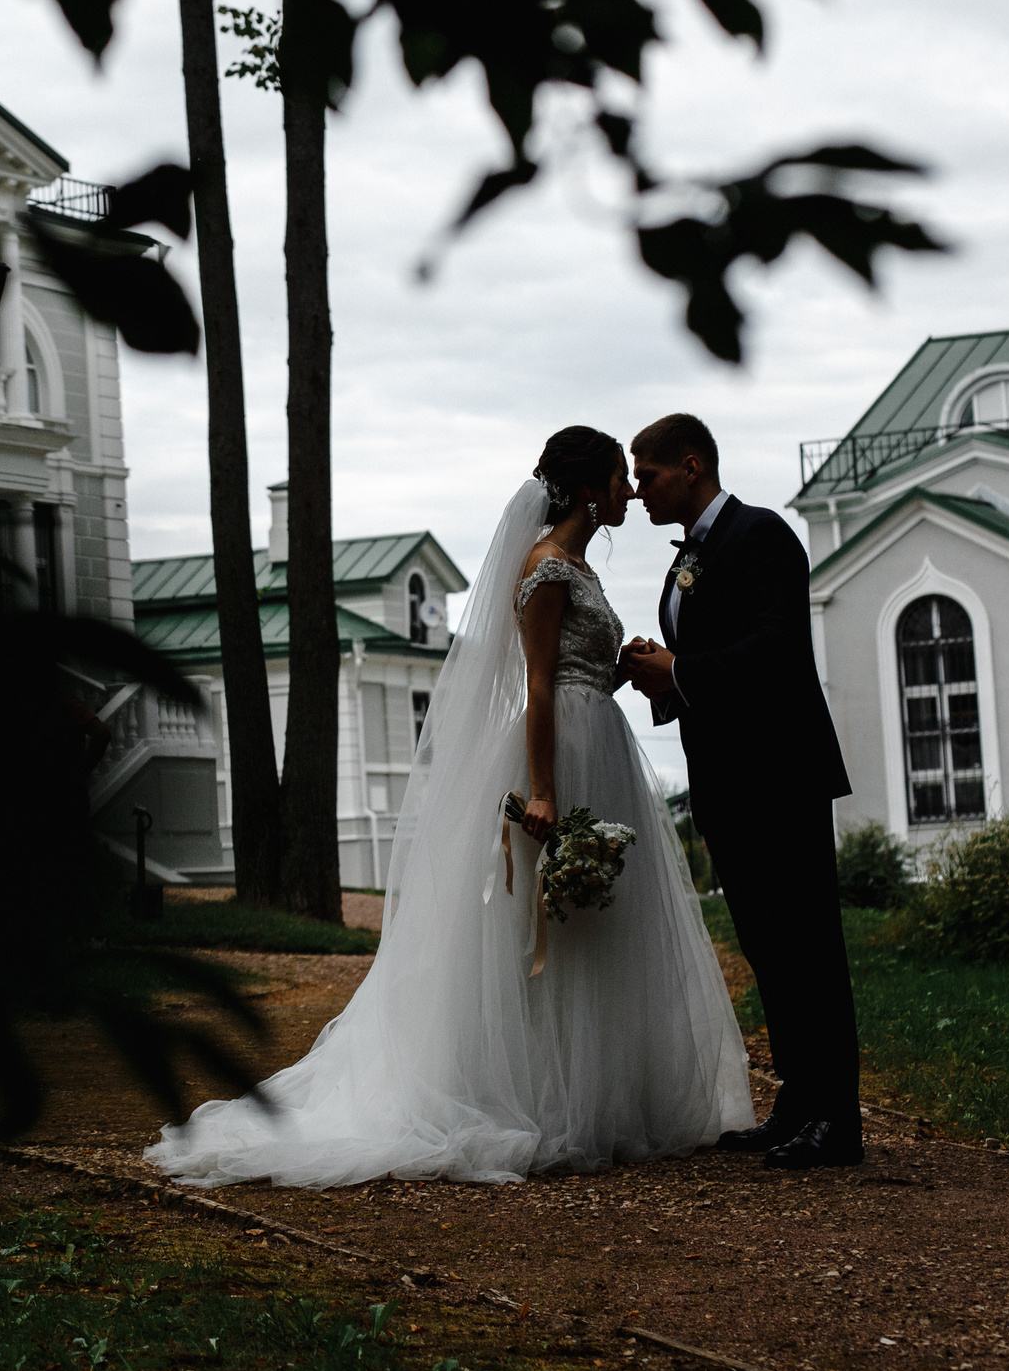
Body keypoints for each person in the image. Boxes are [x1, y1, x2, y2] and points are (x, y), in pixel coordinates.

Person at [143, 428, 751, 1187]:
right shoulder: (545, 567)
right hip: (562, 750)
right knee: (551, 924)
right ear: (589, 490)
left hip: (600, 738)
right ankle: (546, 1098)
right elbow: (538, 685)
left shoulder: (579, 566)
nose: (629, 491)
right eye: (618, 479)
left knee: (595, 924)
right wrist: (542, 790)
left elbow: (578, 672)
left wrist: (622, 669)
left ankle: (601, 1096)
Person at [620, 413, 864, 1170]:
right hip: (726, 780)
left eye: (648, 475)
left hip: (781, 774)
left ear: (691, 466)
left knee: (808, 945)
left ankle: (837, 1119)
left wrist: (680, 671)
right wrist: (663, 669)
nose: (638, 490)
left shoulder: (762, 535)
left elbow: (778, 648)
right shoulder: (687, 559)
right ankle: (799, 1100)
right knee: (766, 945)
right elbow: (709, 652)